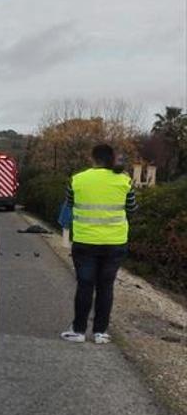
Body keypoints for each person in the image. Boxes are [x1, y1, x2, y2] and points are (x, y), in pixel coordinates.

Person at [61, 144, 137, 344]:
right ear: (112, 158)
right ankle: (100, 333)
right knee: (106, 286)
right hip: (114, 242)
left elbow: (69, 204)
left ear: (92, 158)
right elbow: (132, 208)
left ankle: (78, 331)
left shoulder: (77, 180)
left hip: (85, 241)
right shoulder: (125, 181)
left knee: (85, 285)